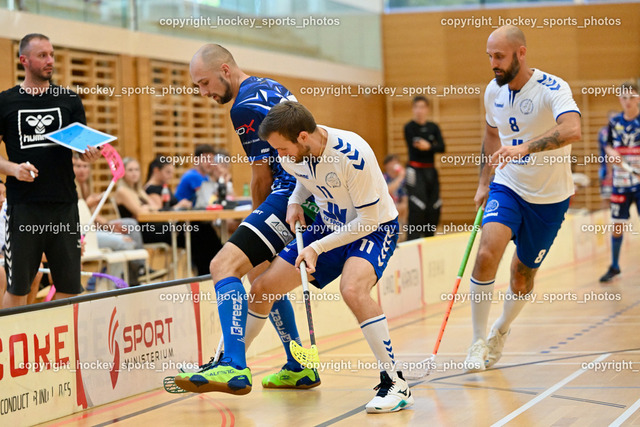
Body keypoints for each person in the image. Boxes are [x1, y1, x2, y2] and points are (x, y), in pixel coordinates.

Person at [177, 101, 414, 413]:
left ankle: (395, 381)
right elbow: (304, 180)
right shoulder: (293, 155)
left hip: (373, 228)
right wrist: (295, 200)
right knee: (262, 289)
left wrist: (317, 247)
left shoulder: (352, 156)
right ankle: (229, 365)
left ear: (303, 137)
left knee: (352, 289)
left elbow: (368, 220)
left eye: (282, 148)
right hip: (327, 225)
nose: (279, 156)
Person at [174, 44, 320, 392]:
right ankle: (300, 365)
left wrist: (257, 215)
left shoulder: (242, 108)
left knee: (223, 265)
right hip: (313, 193)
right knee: (262, 277)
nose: (204, 93)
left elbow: (261, 177)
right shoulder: (270, 85)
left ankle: (233, 365)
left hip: (289, 195)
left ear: (225, 70)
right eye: (197, 86)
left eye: (205, 83)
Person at [464, 25, 581, 371]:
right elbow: (490, 132)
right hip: (508, 186)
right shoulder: (492, 91)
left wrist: (525, 147)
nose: (493, 64)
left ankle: (501, 329)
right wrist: (485, 182)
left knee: (521, 273)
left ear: (521, 53)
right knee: (487, 253)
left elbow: (573, 128)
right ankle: (476, 341)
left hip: (550, 198)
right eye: (490, 57)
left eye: (499, 57)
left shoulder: (552, 88)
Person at [0, 33, 101, 308]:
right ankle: (8, 348)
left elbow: (82, 146)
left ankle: (43, 333)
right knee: (19, 287)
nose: (50, 61)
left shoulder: (68, 100)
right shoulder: (6, 102)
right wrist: (13, 168)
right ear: (24, 60)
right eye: (42, 55)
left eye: (52, 55)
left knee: (70, 289)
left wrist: (89, 153)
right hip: (23, 207)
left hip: (64, 205)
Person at [115, 157, 221, 275]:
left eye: (136, 169)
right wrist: (148, 209)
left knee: (201, 228)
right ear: (122, 172)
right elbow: (141, 212)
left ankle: (215, 266)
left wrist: (149, 208)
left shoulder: (139, 191)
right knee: (196, 231)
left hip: (156, 227)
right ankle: (208, 271)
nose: (134, 173)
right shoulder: (122, 191)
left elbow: (155, 209)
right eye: (130, 170)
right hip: (144, 232)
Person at [599, 83, 640, 283]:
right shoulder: (614, 122)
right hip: (620, 183)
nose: (628, 101)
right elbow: (607, 146)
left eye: (632, 97)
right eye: (624, 98)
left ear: (638, 99)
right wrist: (611, 153)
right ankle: (614, 266)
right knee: (617, 225)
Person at [403, 96, 445, 239]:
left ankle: (429, 238)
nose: (419, 110)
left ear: (427, 109)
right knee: (417, 206)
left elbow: (442, 147)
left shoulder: (434, 127)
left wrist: (428, 146)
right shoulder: (409, 127)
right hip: (414, 171)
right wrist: (430, 146)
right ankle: (412, 241)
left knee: (433, 206)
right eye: (416, 107)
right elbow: (414, 148)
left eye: (422, 107)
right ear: (413, 109)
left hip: (431, 171)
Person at [383, 154, 408, 229]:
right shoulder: (383, 177)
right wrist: (400, 177)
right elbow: (387, 191)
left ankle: (402, 232)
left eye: (396, 162)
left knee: (405, 206)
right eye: (392, 162)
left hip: (396, 206)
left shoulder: (402, 181)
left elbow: (404, 198)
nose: (395, 164)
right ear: (386, 165)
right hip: (385, 207)